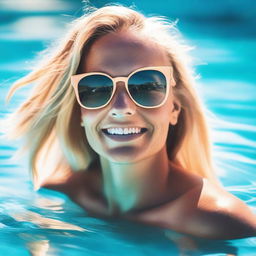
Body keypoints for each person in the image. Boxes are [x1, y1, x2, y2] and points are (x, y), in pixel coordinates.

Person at [4, 5, 256, 239]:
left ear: (174, 109)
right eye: (96, 88)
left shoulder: (221, 222)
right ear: (79, 112)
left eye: (146, 85)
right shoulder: (59, 194)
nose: (121, 108)